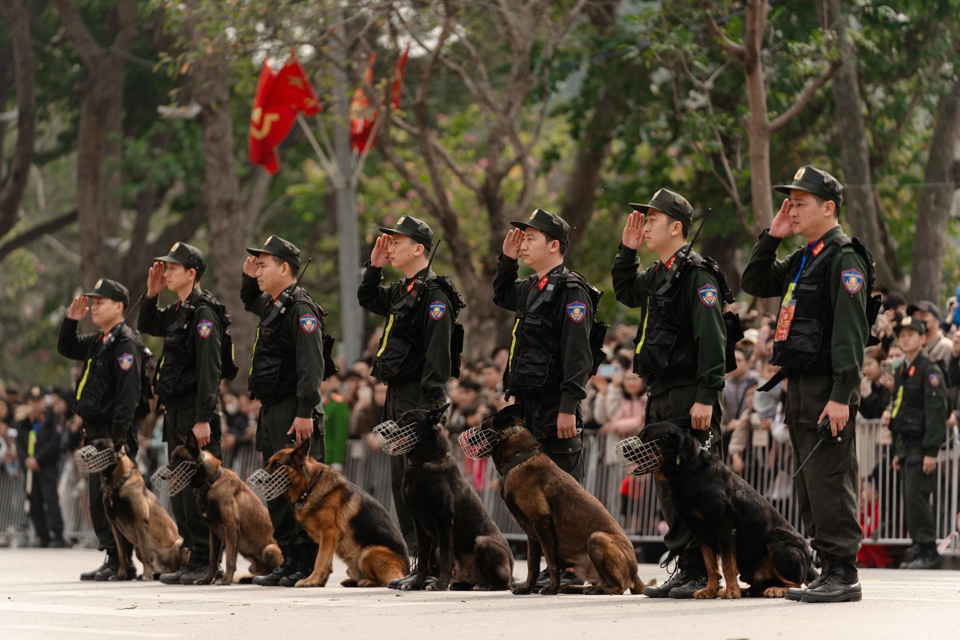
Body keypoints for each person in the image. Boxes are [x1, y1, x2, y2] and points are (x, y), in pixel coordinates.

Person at [741, 165, 873, 603]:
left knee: (831, 477)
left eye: (800, 203)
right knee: (810, 481)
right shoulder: (805, 256)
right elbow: (756, 282)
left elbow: (850, 335)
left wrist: (841, 396)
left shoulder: (844, 257)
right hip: (798, 385)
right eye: (789, 203)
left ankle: (843, 571)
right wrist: (773, 236)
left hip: (825, 388)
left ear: (829, 207)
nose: (792, 210)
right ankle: (825, 565)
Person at [611, 189, 727, 599]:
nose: (644, 227)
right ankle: (688, 564)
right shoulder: (660, 273)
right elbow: (626, 292)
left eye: (652, 220)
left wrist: (707, 394)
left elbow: (711, 338)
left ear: (676, 227)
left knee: (698, 487)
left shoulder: (696, 274)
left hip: (688, 392)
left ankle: (706, 568)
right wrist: (626, 252)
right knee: (667, 484)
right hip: (661, 393)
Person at [494, 208, 600, 588]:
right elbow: (501, 292)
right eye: (521, 238)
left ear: (554, 245)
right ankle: (551, 566)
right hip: (530, 407)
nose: (523, 243)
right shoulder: (531, 288)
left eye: (531, 238)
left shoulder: (571, 290)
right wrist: (507, 260)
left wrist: (569, 405)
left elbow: (577, 354)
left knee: (565, 490)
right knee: (535, 495)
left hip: (556, 405)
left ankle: (572, 569)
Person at [357, 215, 463, 588]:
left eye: (398, 241)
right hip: (397, 395)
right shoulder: (404, 291)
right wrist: (375, 266)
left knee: (426, 489)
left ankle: (436, 565)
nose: (391, 246)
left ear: (419, 248)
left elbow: (438, 355)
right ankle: (421, 564)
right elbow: (368, 297)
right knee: (403, 485)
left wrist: (432, 406)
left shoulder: (434, 294)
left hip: (420, 399)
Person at [138, 242, 227, 585]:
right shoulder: (180, 309)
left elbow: (210, 368)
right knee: (181, 484)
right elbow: (148, 323)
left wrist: (204, 417)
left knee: (201, 489)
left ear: (192, 273)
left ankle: (207, 559)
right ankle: (192, 553)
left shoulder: (204, 312)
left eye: (173, 268)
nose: (166, 271)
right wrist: (150, 294)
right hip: (175, 409)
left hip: (194, 411)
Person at [241, 235, 327, 586]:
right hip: (272, 408)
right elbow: (250, 300)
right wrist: (249, 278)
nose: (258, 271)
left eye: (263, 265)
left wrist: (306, 409)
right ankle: (288, 558)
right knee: (277, 487)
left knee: (301, 489)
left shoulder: (300, 308)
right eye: (257, 265)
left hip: (294, 408)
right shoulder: (276, 305)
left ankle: (305, 562)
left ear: (285, 267)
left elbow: (311, 364)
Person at [57, 278, 143, 579]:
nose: (93, 307)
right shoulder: (98, 341)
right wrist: (71, 321)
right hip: (95, 433)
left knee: (117, 499)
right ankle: (112, 556)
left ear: (119, 306)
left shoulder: (125, 343)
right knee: (99, 498)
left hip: (113, 435)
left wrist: (119, 439)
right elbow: (66, 346)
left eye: (100, 302)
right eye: (92, 302)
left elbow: (128, 397)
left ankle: (124, 560)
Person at [884, 317, 948, 569]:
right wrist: (898, 450)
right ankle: (920, 547)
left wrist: (931, 451)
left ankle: (929, 551)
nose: (905, 338)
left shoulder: (930, 369)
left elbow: (936, 412)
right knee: (910, 500)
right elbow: (900, 408)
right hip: (907, 445)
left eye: (912, 334)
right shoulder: (902, 369)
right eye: (902, 334)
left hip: (922, 446)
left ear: (923, 338)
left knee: (917, 497)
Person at [15, 386, 66, 548]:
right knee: (33, 501)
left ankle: (57, 534)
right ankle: (42, 534)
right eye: (32, 401)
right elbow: (19, 444)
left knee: (50, 499)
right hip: (29, 469)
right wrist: (27, 460)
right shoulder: (24, 422)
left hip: (46, 466)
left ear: (44, 401)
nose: (36, 405)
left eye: (39, 401)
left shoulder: (52, 419)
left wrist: (37, 459)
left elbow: (54, 443)